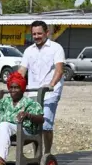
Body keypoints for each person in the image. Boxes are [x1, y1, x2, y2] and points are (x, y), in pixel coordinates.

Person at [18, 20, 65, 155]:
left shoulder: (56, 48)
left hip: (50, 93)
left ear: (47, 33)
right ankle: (37, 155)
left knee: (46, 125)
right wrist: (15, 82)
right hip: (33, 92)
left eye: (39, 33)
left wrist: (50, 85)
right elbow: (22, 70)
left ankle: (47, 154)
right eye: (34, 34)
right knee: (33, 125)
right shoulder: (29, 51)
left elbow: (59, 70)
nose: (36, 36)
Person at [0, 72, 44, 165]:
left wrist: (28, 115)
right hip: (5, 132)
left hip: (23, 131)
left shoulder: (29, 103)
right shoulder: (5, 101)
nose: (13, 90)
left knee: (4, 124)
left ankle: (1, 159)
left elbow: (41, 119)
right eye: (11, 87)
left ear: (22, 89)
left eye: (16, 87)